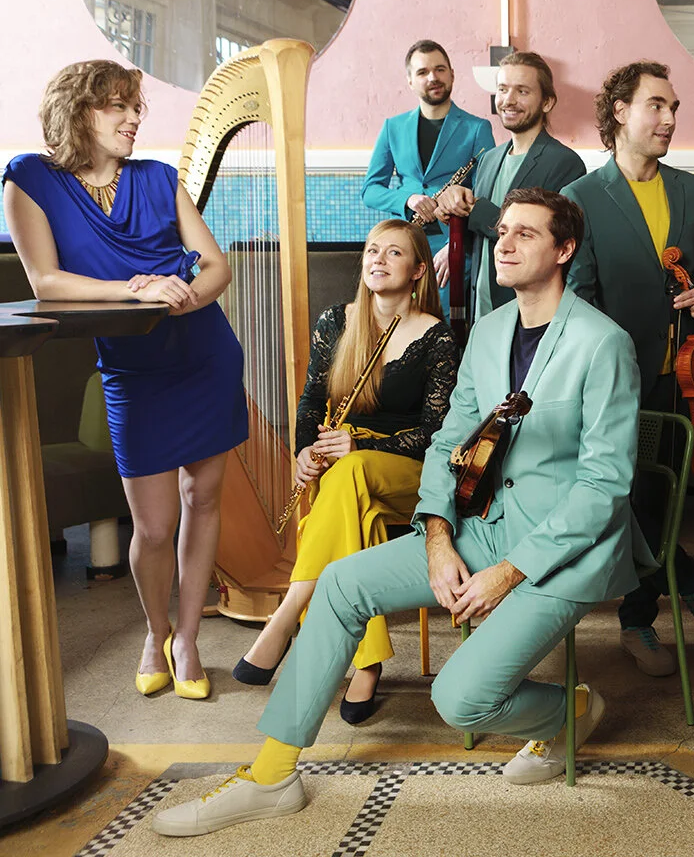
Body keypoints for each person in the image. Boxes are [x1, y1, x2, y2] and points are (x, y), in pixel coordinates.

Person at [150, 187, 654, 836]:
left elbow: (603, 485)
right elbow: (448, 444)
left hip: (564, 551)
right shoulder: (490, 331)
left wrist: (508, 574)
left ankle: (573, 710)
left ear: (565, 250)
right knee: (340, 583)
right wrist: (439, 539)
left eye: (525, 234)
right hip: (482, 525)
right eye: (502, 230)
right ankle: (271, 775)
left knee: (460, 700)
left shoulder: (602, 343)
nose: (504, 243)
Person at [3, 60, 248, 700]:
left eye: (137, 107)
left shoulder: (159, 178)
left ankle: (187, 639)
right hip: (133, 371)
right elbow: (46, 282)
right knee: (154, 526)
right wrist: (138, 292)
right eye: (120, 106)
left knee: (203, 501)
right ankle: (154, 629)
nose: (135, 118)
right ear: (79, 109)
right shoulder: (29, 179)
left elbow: (216, 267)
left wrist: (182, 301)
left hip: (204, 354)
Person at [231, 220, 457, 725]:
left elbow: (437, 432)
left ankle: (287, 614)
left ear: (418, 270)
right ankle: (368, 663)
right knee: (357, 510)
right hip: (348, 473)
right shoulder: (337, 321)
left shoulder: (437, 337)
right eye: (372, 250)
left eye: (394, 252)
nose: (378, 259)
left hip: (412, 473)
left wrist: (361, 443)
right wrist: (304, 451)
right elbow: (313, 399)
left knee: (349, 472)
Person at [562, 60, 694, 677]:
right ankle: (690, 577)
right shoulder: (581, 198)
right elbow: (579, 297)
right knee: (625, 501)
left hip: (683, 374)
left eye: (673, 107)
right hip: (614, 379)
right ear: (619, 113)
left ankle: (638, 621)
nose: (669, 118)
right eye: (657, 105)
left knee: (658, 496)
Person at [434, 51, 585, 321]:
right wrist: (453, 211)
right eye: (503, 89)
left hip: (528, 313)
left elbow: (548, 241)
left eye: (522, 91)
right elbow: (480, 239)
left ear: (547, 102)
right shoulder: (489, 159)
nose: (509, 100)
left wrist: (475, 210)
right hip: (480, 312)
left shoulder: (565, 163)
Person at [361, 39, 495, 304]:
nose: (433, 77)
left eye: (440, 69)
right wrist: (407, 199)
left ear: (452, 74)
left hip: (451, 246)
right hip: (402, 245)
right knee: (398, 317)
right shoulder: (392, 127)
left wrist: (456, 247)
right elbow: (370, 191)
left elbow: (487, 193)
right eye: (423, 72)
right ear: (410, 81)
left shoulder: (477, 128)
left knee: (443, 322)